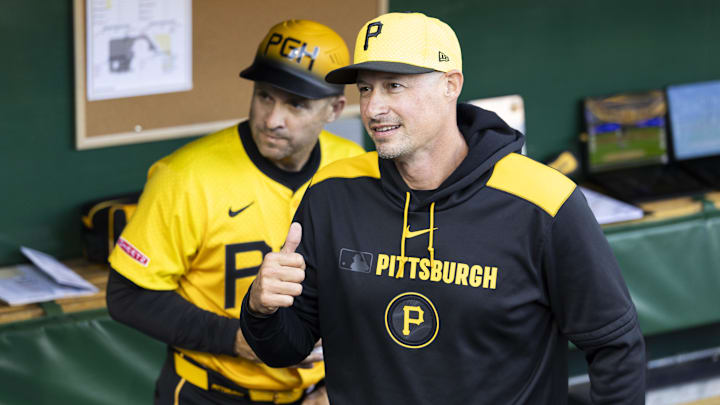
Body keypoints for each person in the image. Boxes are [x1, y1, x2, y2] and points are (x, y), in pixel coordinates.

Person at [240, 12, 647, 405]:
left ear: (451, 85)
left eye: (394, 86)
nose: (373, 108)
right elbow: (286, 349)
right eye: (365, 89)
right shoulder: (333, 191)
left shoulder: (543, 203)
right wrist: (261, 307)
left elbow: (615, 346)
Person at [106, 19, 365, 405]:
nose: (273, 119)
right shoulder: (185, 177)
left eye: (296, 104)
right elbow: (128, 296)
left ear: (336, 108)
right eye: (265, 96)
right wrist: (235, 338)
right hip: (210, 393)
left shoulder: (354, 170)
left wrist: (335, 388)